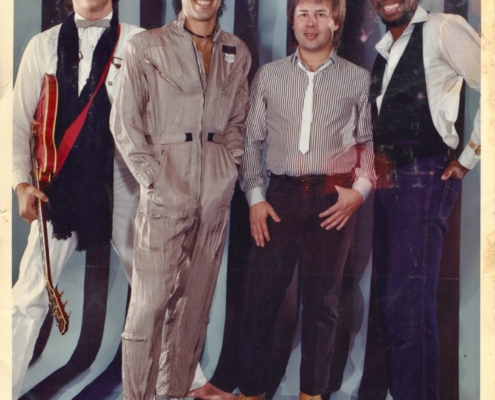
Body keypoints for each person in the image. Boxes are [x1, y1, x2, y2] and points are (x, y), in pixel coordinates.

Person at [12, 0, 225, 398]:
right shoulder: (43, 45)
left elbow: (176, 112)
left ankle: (190, 382)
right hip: (60, 184)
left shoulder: (142, 42)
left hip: (127, 181)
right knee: (30, 294)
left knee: (158, 287)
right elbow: (17, 121)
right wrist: (20, 184)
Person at [110, 0, 251, 398]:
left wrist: (229, 166)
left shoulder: (237, 50)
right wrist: (152, 178)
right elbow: (124, 122)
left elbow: (238, 118)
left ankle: (173, 393)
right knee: (149, 305)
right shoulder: (145, 46)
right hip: (166, 188)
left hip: (215, 193)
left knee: (194, 307)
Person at [237, 0, 376, 399]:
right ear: (293, 22)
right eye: (303, 14)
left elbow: (368, 146)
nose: (311, 23)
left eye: (320, 14)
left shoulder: (357, 79)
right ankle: (251, 391)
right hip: (278, 198)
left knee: (323, 304)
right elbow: (251, 141)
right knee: (261, 299)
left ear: (336, 22)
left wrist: (359, 193)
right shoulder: (269, 76)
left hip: (333, 201)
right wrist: (255, 198)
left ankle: (311, 393)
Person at [362, 0, 480, 399]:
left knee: (409, 308)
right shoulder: (385, 50)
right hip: (387, 185)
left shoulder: (443, 28)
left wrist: (469, 157)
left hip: (422, 177)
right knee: (393, 309)